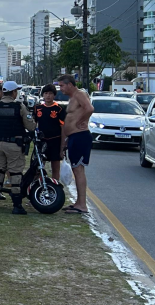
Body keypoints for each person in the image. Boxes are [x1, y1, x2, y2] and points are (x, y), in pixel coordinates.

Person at [0, 80, 35, 214]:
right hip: (14, 145)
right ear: (13, 92)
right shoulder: (19, 106)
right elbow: (30, 126)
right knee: (15, 174)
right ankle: (17, 205)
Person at [58, 75, 94, 214]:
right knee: (75, 169)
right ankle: (79, 202)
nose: (60, 89)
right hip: (73, 137)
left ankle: (82, 205)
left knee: (78, 170)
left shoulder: (80, 94)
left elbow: (89, 108)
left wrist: (80, 121)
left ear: (70, 85)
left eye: (62, 85)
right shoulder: (72, 98)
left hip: (80, 136)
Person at [33, 83, 65, 181]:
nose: (48, 96)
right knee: (38, 167)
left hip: (55, 141)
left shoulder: (59, 109)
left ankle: (55, 186)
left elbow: (63, 128)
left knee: (55, 167)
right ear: (43, 95)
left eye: (50, 93)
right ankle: (39, 186)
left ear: (54, 95)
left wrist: (62, 147)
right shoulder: (38, 108)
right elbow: (33, 124)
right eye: (46, 93)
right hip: (41, 141)